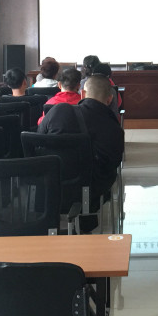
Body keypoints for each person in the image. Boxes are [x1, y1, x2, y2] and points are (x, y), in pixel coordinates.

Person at [38, 74, 124, 226]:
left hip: (51, 182)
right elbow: (113, 164)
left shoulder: (58, 111)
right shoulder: (114, 128)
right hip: (90, 188)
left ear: (82, 94)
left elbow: (38, 141)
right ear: (110, 99)